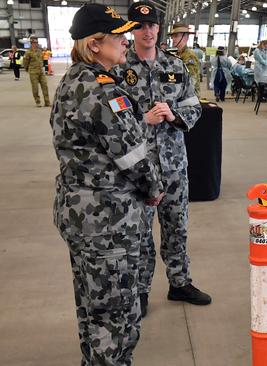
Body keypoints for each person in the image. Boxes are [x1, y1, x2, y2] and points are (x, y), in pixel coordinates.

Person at [51, 4, 165, 364]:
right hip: (109, 222)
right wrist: (155, 189)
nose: (126, 42)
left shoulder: (74, 81)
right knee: (116, 315)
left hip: (81, 215)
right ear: (95, 44)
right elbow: (133, 155)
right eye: (118, 36)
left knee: (92, 307)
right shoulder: (102, 92)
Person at [114, 1, 210, 317]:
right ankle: (140, 293)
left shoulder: (175, 66)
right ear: (130, 29)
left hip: (174, 165)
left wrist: (175, 115)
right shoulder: (117, 69)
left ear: (159, 28)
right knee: (140, 236)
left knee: (177, 227)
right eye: (141, 26)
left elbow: (194, 106)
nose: (148, 32)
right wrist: (145, 119)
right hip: (138, 169)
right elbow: (110, 124)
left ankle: (179, 283)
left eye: (153, 25)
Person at [169, 23, 201, 97]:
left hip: (188, 99)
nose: (173, 39)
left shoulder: (189, 57)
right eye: (172, 36)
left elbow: (191, 82)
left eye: (176, 36)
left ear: (185, 37)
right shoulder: (176, 54)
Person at [23, 36, 50, 107]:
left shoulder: (40, 50)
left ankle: (47, 102)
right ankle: (38, 102)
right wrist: (27, 69)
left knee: (45, 86)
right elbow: (25, 62)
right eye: (34, 43)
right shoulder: (28, 52)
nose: (36, 44)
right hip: (33, 72)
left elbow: (42, 59)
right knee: (35, 88)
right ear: (31, 43)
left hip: (41, 71)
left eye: (36, 42)